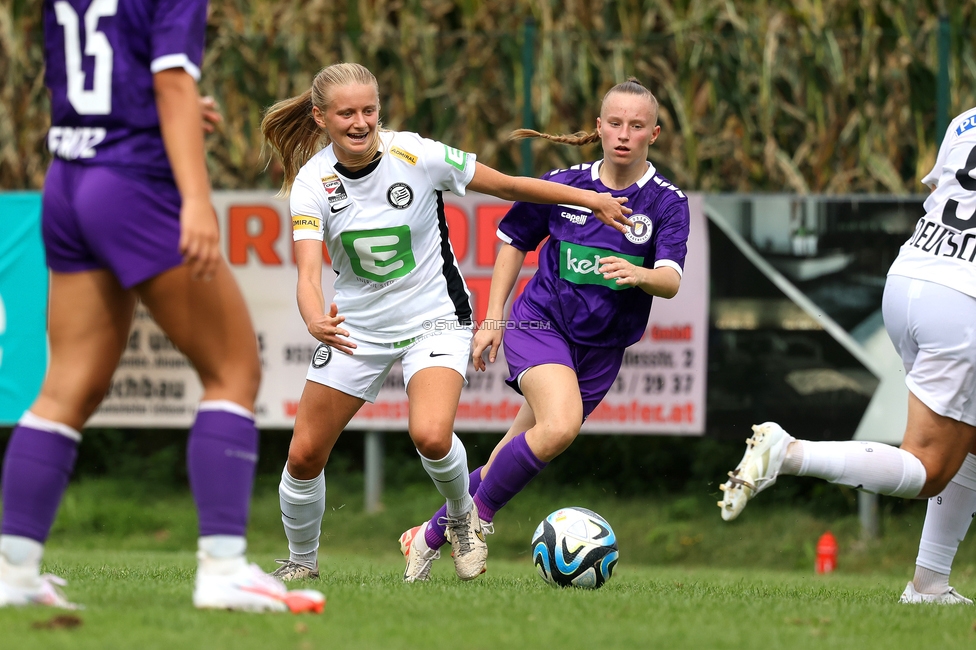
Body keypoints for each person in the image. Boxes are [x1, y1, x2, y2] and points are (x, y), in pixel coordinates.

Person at [0, 0, 324, 613]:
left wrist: (148, 120)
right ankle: (224, 569)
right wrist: (196, 199)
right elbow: (172, 80)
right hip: (133, 185)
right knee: (233, 370)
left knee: (67, 385)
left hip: (68, 180)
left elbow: (97, 83)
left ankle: (12, 573)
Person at [259, 62, 634, 584]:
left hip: (434, 317)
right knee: (302, 456)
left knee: (432, 436)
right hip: (357, 329)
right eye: (347, 113)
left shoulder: (417, 153)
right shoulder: (311, 184)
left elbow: (508, 186)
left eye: (370, 110)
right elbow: (306, 273)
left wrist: (588, 198)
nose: (362, 122)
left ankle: (463, 520)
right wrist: (314, 318)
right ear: (321, 117)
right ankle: (301, 562)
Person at [398, 78, 691, 582]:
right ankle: (477, 519)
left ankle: (425, 536)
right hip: (541, 322)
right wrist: (494, 317)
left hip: (602, 349)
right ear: (598, 127)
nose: (624, 134)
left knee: (508, 455)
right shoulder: (566, 184)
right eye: (615, 123)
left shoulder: (666, 202)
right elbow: (513, 239)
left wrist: (641, 274)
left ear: (654, 134)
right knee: (559, 426)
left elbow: (669, 280)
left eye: (636, 126)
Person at [718, 104, 976, 605]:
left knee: (968, 437)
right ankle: (789, 455)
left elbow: (940, 191)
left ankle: (929, 585)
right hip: (965, 297)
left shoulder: (966, 118)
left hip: (910, 278)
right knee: (928, 468)